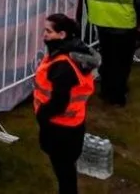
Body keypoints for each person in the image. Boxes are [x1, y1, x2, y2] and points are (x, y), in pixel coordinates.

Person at [33, 13, 97, 194]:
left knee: (64, 172)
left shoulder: (63, 65)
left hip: (60, 127)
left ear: (62, 35)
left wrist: (42, 114)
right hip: (72, 125)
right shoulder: (71, 55)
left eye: (48, 31)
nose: (44, 35)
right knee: (66, 169)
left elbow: (59, 102)